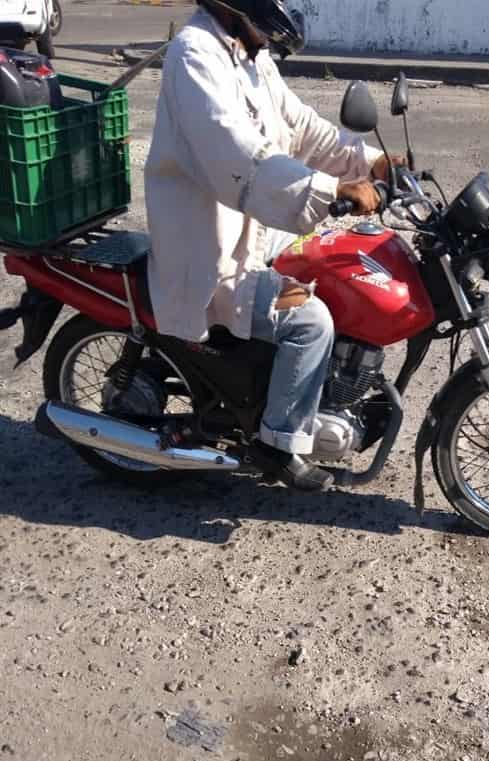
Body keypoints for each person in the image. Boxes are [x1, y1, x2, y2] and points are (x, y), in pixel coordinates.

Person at [145, 0, 394, 491]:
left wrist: (373, 163)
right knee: (310, 322)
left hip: (251, 229)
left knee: (339, 259)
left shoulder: (248, 55)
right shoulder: (196, 54)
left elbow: (303, 129)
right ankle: (278, 443)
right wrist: (332, 191)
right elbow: (238, 152)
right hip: (210, 251)